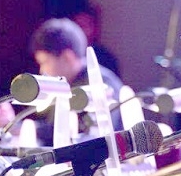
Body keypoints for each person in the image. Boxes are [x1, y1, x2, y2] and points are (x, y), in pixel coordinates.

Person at [29, 17, 125, 145]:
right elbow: (52, 127)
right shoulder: (66, 84)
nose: (42, 70)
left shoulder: (102, 84)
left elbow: (92, 136)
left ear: (67, 57)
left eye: (45, 62)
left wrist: (30, 129)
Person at [72, 6, 121, 77]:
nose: (79, 30)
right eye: (77, 25)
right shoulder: (66, 56)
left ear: (94, 29)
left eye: (84, 26)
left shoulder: (107, 59)